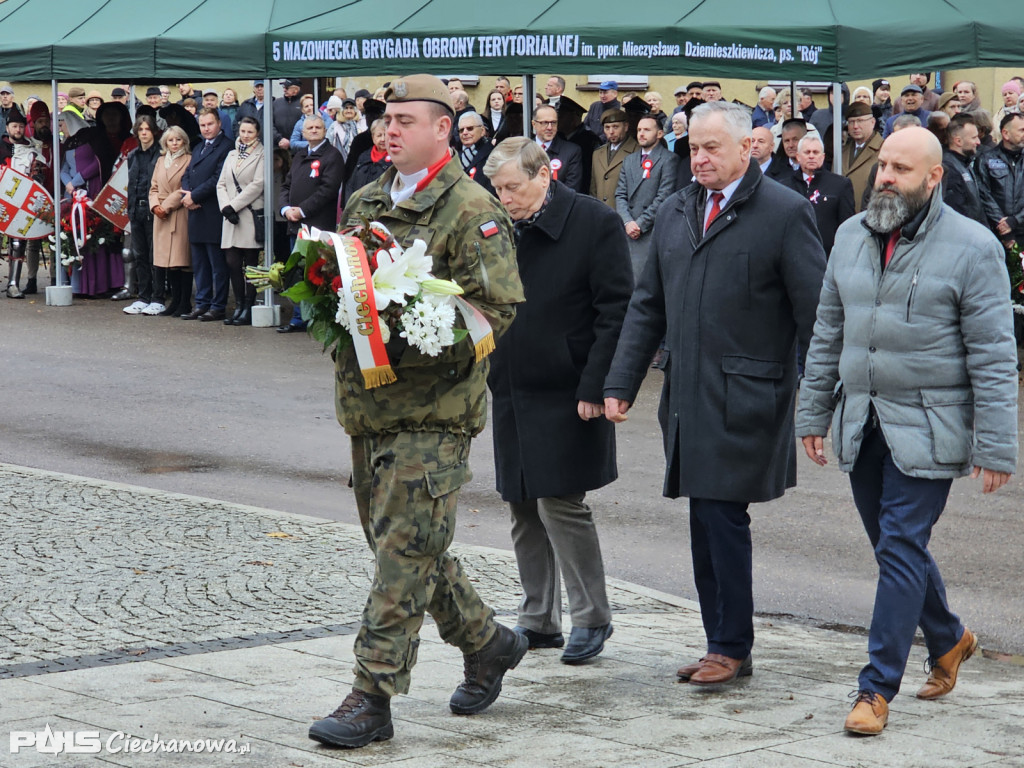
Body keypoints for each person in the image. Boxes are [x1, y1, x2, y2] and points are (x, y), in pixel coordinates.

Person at [307, 74, 526, 750]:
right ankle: (487, 642)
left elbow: (498, 307)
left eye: (404, 119)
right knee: (407, 546)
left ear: (442, 127)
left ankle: (371, 697)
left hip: (434, 414)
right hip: (368, 408)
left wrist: (420, 328)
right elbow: (343, 283)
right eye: (383, 119)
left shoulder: (470, 208)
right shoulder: (369, 198)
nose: (389, 130)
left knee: (402, 554)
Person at [796, 126, 1018, 735]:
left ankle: (874, 690)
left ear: (933, 177)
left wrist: (996, 445)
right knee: (897, 548)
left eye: (900, 168)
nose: (885, 176)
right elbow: (827, 333)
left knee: (898, 545)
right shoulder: (848, 235)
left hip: (932, 425)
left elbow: (995, 356)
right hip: (863, 418)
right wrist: (814, 413)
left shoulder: (973, 247)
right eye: (882, 165)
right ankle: (948, 637)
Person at [603, 101, 827, 688]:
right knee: (704, 515)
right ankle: (721, 642)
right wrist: (621, 382)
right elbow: (647, 304)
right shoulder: (678, 210)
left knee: (720, 514)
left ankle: (730, 646)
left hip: (749, 396)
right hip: (686, 393)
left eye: (711, 148)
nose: (698, 158)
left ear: (747, 148)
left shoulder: (784, 212)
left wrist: (822, 402)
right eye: (693, 148)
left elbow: (818, 318)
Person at [484, 136, 631, 662]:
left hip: (569, 388)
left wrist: (597, 385)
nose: (504, 199)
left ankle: (592, 617)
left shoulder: (594, 222)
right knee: (522, 503)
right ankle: (538, 618)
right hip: (513, 383)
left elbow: (616, 310)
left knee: (561, 502)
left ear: (544, 175)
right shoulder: (498, 222)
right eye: (496, 188)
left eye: (513, 187)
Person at [277, 115, 344, 333]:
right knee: (297, 272)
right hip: (295, 225)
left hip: (317, 226)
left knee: (317, 273)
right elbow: (286, 185)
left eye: (318, 127)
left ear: (325, 130)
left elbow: (328, 190)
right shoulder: (298, 156)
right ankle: (299, 317)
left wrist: (302, 210)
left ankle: (317, 318)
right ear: (303, 133)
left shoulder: (332, 156)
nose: (314, 130)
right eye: (309, 128)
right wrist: (286, 209)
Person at [180, 108, 232, 322]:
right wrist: (186, 194)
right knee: (199, 262)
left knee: (216, 263)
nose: (206, 128)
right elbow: (187, 174)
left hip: (213, 211)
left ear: (219, 123)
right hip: (195, 211)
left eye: (210, 124)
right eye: (203, 125)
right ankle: (202, 302)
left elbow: (217, 178)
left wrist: (195, 197)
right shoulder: (199, 146)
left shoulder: (227, 147)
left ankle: (218, 305)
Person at [614, 115, 679, 279]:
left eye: (647, 130)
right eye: (639, 130)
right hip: (627, 230)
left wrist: (640, 224)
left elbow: (664, 196)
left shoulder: (669, 159)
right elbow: (620, 194)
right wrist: (628, 222)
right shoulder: (629, 160)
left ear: (659, 134)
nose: (641, 134)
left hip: (650, 231)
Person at [214, 116, 264, 326]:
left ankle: (249, 307)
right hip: (230, 216)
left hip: (249, 212)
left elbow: (258, 184)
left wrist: (233, 205)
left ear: (257, 133)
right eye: (243, 131)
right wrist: (225, 207)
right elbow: (221, 183)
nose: (245, 136)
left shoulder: (262, 154)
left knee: (250, 263)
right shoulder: (232, 154)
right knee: (232, 262)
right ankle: (240, 305)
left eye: (250, 132)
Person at [0, 110, 47, 298]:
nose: (18, 129)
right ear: (7, 128)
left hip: (19, 202)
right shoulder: (0, 147)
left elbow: (38, 174)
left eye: (20, 126)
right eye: (14, 126)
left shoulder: (32, 149)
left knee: (18, 243)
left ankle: (13, 284)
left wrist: (35, 178)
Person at [784, 135, 855, 257]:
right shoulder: (784, 187)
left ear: (822, 157)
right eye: (807, 152)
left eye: (815, 152)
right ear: (798, 157)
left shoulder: (840, 185)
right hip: (793, 255)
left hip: (827, 256)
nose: (811, 156)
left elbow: (847, 226)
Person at [149, 125, 193, 317]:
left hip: (178, 212)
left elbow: (184, 188)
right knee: (167, 261)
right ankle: (174, 301)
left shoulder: (189, 160)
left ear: (184, 141)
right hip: (160, 214)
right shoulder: (160, 160)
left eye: (178, 140)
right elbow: (153, 187)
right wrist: (154, 207)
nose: (174, 144)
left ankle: (184, 302)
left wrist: (165, 207)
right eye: (170, 140)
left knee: (181, 259)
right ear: (164, 143)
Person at [123, 115, 164, 315]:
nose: (144, 133)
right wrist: (130, 209)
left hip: (153, 210)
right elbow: (131, 184)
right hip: (136, 210)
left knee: (154, 255)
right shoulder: (132, 155)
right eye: (141, 130)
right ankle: (143, 296)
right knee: (139, 255)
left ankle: (158, 297)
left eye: (148, 129)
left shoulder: (161, 155)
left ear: (154, 131)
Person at [976, 112, 1024, 250]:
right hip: (996, 234)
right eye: (1021, 130)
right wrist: (1003, 226)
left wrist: (1015, 220)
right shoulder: (986, 159)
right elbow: (983, 194)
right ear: (1006, 134)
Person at [942, 113, 986, 225]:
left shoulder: (965, 163)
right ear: (958, 141)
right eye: (974, 138)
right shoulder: (949, 168)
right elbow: (955, 211)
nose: (978, 142)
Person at [589, 108, 636, 208]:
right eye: (607, 127)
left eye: (615, 127)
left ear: (626, 127)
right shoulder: (597, 153)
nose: (611, 131)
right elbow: (593, 189)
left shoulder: (637, 151)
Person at [842, 102, 884, 212]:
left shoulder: (883, 150)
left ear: (873, 122)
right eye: (851, 122)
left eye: (860, 121)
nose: (855, 126)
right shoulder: (842, 150)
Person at [533, 104, 582, 192]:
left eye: (553, 123)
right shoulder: (524, 149)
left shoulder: (572, 151)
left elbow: (571, 189)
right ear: (534, 124)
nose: (549, 128)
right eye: (544, 123)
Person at [345, 118, 391, 201]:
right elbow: (350, 185)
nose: (383, 139)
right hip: (358, 208)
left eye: (386, 135)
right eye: (379, 135)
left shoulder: (395, 159)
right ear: (373, 137)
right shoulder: (364, 156)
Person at [456, 111, 495, 196]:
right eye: (461, 130)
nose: (465, 133)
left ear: (482, 131)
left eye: (470, 128)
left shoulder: (493, 154)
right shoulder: (455, 157)